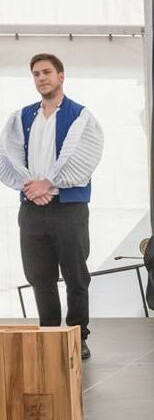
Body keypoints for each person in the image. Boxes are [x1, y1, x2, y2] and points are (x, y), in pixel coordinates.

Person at [0, 53, 104, 360]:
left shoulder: (80, 115)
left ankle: (77, 334)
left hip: (68, 209)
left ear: (61, 76)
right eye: (36, 74)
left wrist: (51, 184)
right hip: (32, 207)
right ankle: (48, 333)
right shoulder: (22, 117)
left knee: (75, 274)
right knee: (39, 275)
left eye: (46, 72)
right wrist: (31, 187)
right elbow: (9, 155)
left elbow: (84, 157)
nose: (41, 78)